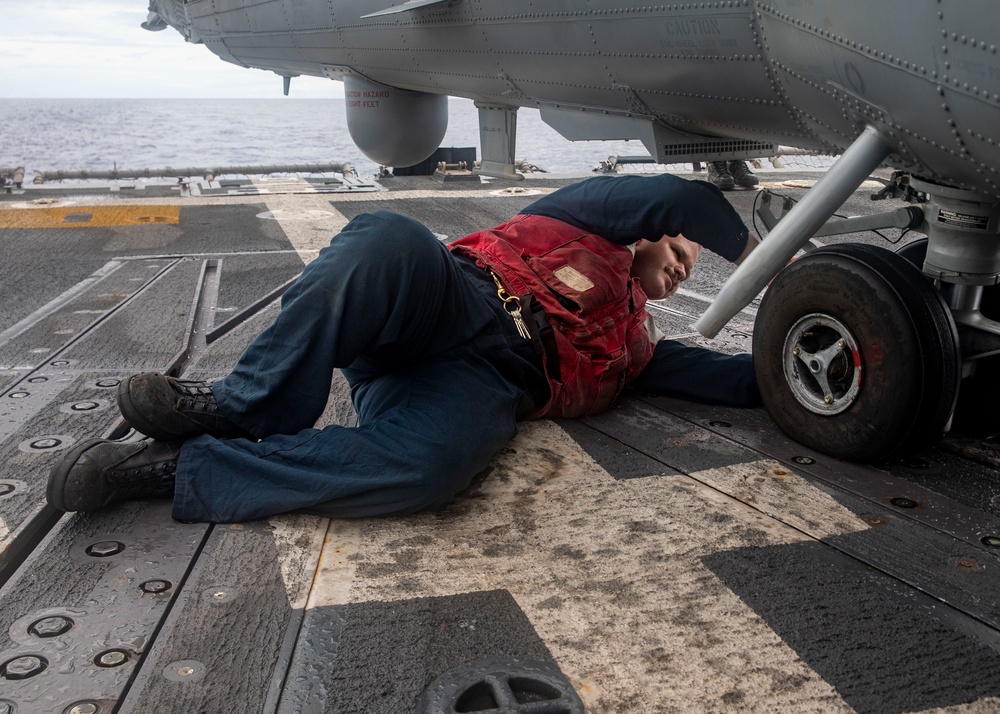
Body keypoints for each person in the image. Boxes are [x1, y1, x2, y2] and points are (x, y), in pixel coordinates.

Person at [47, 174, 761, 523]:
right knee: (385, 237)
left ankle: (183, 469)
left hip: (480, 386)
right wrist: (771, 260)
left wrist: (859, 383)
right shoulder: (583, 218)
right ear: (648, 231)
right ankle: (239, 405)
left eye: (692, 265)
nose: (686, 262)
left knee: (430, 471)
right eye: (681, 249)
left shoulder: (640, 349)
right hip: (444, 296)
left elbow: (743, 381)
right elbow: (682, 197)